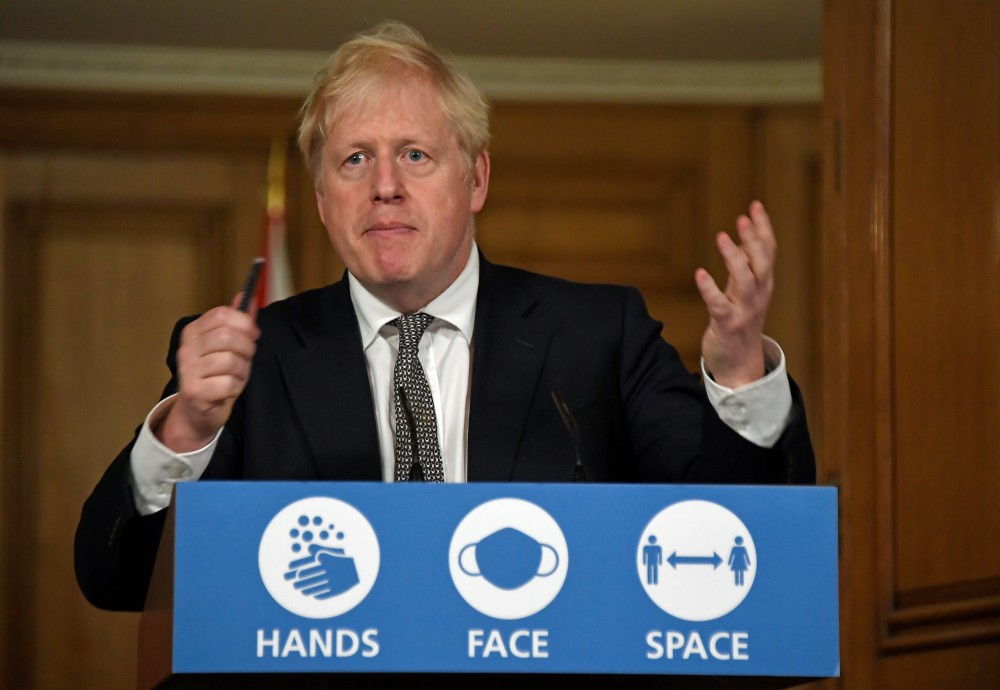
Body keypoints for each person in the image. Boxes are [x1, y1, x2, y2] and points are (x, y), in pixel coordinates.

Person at [74, 20, 815, 612]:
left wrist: (741, 367)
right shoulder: (250, 365)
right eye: (354, 160)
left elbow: (736, 543)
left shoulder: (600, 336)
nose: (385, 186)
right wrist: (185, 432)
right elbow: (117, 581)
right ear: (324, 199)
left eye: (416, 155)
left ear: (477, 177)